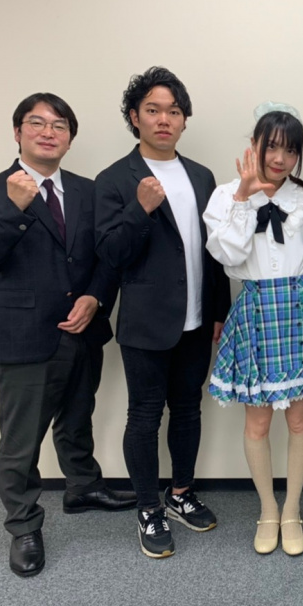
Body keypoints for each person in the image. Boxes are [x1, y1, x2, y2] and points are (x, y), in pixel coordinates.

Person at [0, 93, 136, 577]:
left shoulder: (88, 190)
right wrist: (14, 209)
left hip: (83, 329)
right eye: (36, 123)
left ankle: (83, 486)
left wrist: (96, 297)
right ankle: (23, 525)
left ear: (70, 138)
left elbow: (107, 257)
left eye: (59, 125)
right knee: (21, 440)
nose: (48, 132)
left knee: (78, 416)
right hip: (21, 334)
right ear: (17, 132)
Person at [94, 67, 231, 559]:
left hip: (197, 319)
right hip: (146, 323)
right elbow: (110, 254)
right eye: (153, 110)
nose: (164, 119)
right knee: (144, 416)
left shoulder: (201, 176)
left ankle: (181, 493)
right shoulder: (114, 179)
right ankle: (148, 507)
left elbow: (213, 251)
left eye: (174, 111)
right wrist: (140, 209)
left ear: (184, 119)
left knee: (189, 409)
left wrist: (220, 310)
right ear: (135, 117)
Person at [203, 103, 303, 556]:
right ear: (255, 145)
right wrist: (245, 197)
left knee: (300, 419)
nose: (280, 158)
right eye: (272, 147)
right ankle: (267, 509)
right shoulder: (225, 195)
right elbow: (226, 257)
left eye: (291, 150)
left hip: (299, 306)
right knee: (258, 421)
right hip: (256, 306)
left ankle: (292, 509)